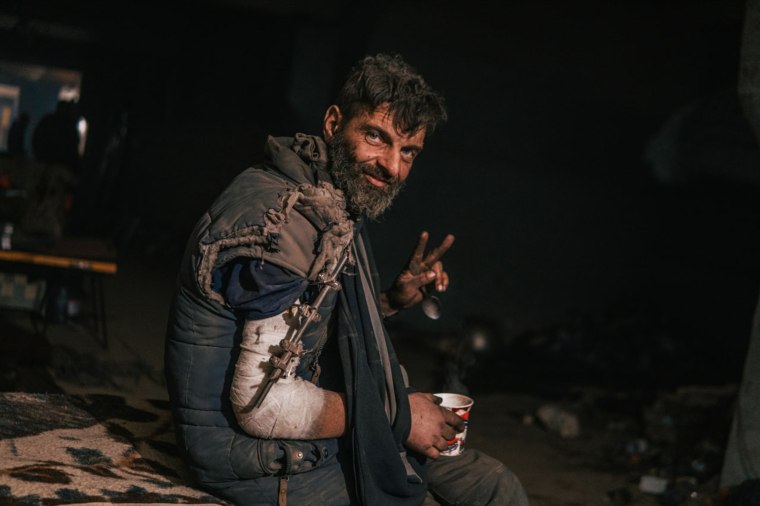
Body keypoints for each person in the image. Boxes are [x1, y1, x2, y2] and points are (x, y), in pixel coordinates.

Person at [164, 53, 529, 506]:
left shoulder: (324, 193)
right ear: (334, 123)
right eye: (377, 137)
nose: (392, 167)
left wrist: (390, 301)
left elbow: (305, 322)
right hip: (250, 457)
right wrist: (397, 417)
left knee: (495, 484)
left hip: (289, 436)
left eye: (408, 151)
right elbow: (263, 406)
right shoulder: (289, 220)